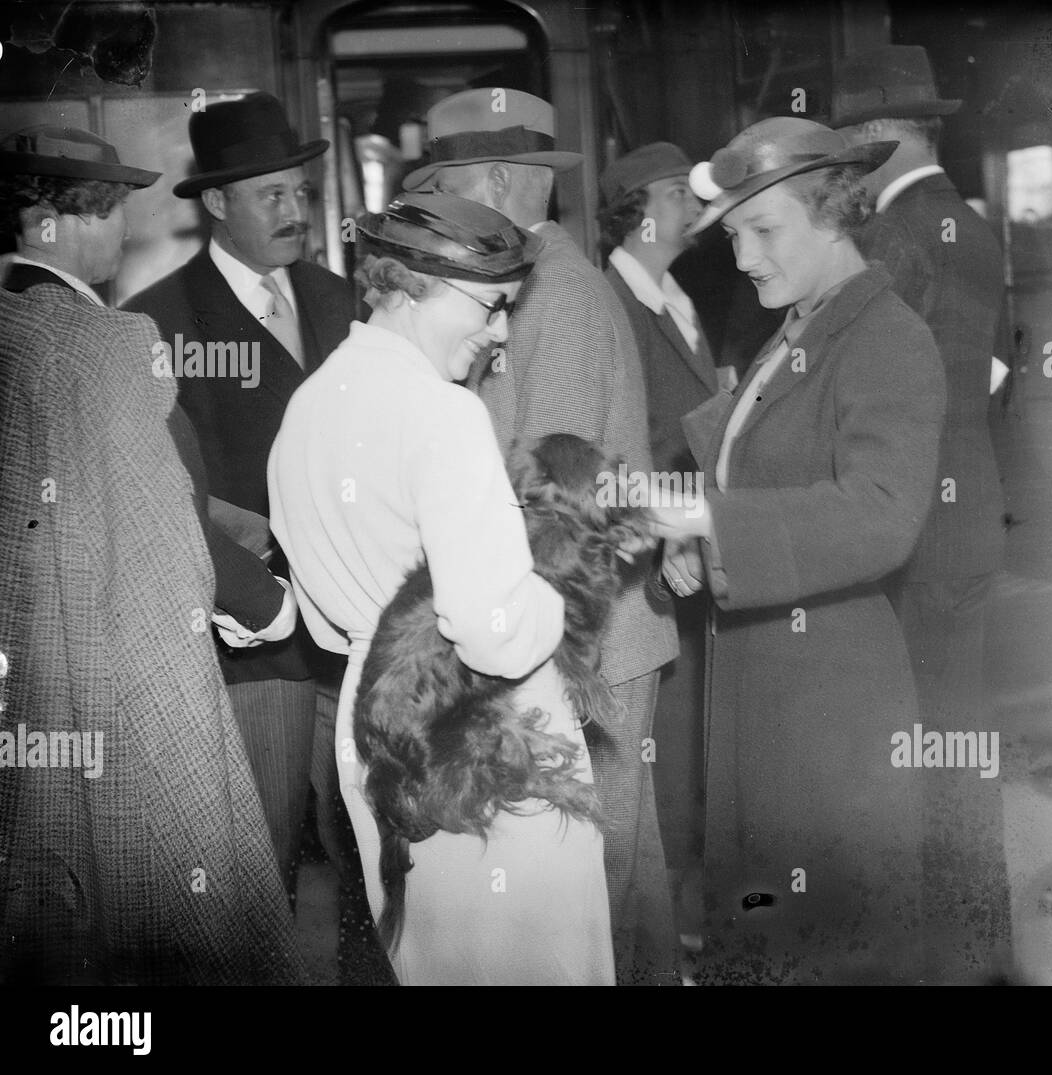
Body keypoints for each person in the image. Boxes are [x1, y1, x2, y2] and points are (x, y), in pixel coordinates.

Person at [268, 190, 615, 985]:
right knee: (533, 964)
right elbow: (494, 629)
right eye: (493, 307)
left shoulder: (310, 404)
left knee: (436, 961)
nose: (499, 334)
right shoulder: (443, 412)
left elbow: (323, 626)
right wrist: (553, 586)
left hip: (373, 720)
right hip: (483, 728)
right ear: (423, 285)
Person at [0, 125, 302, 984]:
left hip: (25, 677)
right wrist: (266, 603)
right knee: (174, 906)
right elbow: (161, 524)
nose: (122, 234)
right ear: (65, 220)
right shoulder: (111, 345)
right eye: (111, 212)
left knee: (54, 910)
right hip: (107, 666)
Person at [652, 117, 947, 984]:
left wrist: (719, 530)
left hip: (830, 712)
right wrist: (696, 551)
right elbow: (754, 482)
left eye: (763, 230)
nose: (742, 258)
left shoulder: (885, 338)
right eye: (735, 234)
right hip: (763, 690)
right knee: (771, 941)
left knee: (835, 949)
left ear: (834, 212)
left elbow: (886, 511)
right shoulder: (792, 332)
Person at [402, 89, 680, 984]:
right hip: (578, 627)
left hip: (589, 637)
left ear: (490, 180)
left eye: (445, 188)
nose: (438, 211)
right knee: (617, 870)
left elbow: (551, 499)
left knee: (601, 871)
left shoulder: (555, 298)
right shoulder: (533, 287)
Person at [124, 92, 356, 890]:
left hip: (356, 632)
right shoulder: (155, 324)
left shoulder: (341, 300)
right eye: (273, 196)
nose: (296, 211)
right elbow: (157, 492)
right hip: (252, 651)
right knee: (261, 867)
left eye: (301, 192)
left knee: (372, 861)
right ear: (218, 203)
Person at [833, 45, 1012, 983]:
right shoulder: (972, 226)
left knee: (921, 742)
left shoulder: (899, 236)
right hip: (970, 509)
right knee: (960, 733)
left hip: (916, 528)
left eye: (850, 150)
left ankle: (948, 955)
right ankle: (980, 944)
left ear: (881, 140)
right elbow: (996, 375)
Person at [598, 141, 717, 954]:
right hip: (650, 558)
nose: (694, 203)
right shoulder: (611, 303)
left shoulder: (675, 296)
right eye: (678, 191)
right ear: (638, 210)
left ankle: (689, 916)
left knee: (690, 738)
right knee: (661, 747)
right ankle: (666, 928)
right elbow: (622, 445)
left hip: (695, 544)